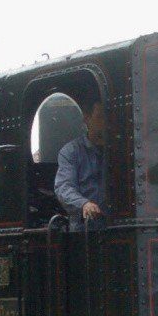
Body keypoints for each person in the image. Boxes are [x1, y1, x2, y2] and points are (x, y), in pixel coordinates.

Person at [54, 92, 107, 229]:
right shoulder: (70, 152)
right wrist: (84, 204)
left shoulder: (119, 149)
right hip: (85, 231)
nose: (105, 123)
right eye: (100, 117)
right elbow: (64, 187)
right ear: (87, 119)